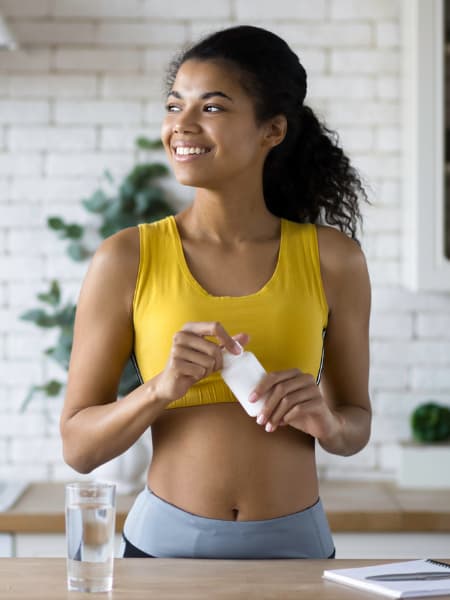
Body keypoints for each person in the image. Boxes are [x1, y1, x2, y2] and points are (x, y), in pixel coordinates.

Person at [60, 25, 371, 560]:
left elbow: (355, 423)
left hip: (296, 549)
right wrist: (159, 389)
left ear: (272, 129)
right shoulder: (126, 258)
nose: (181, 125)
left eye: (212, 108)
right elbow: (79, 449)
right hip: (163, 551)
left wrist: (328, 422)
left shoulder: (333, 258)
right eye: (175, 104)